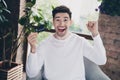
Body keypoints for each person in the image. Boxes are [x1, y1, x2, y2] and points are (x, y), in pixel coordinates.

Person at [26, 5, 107, 80]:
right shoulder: (45, 44)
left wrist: (95, 34)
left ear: (70, 22)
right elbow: (31, 74)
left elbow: (101, 60)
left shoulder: (80, 41)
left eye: (65, 20)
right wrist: (33, 49)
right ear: (53, 22)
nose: (62, 24)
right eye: (58, 20)